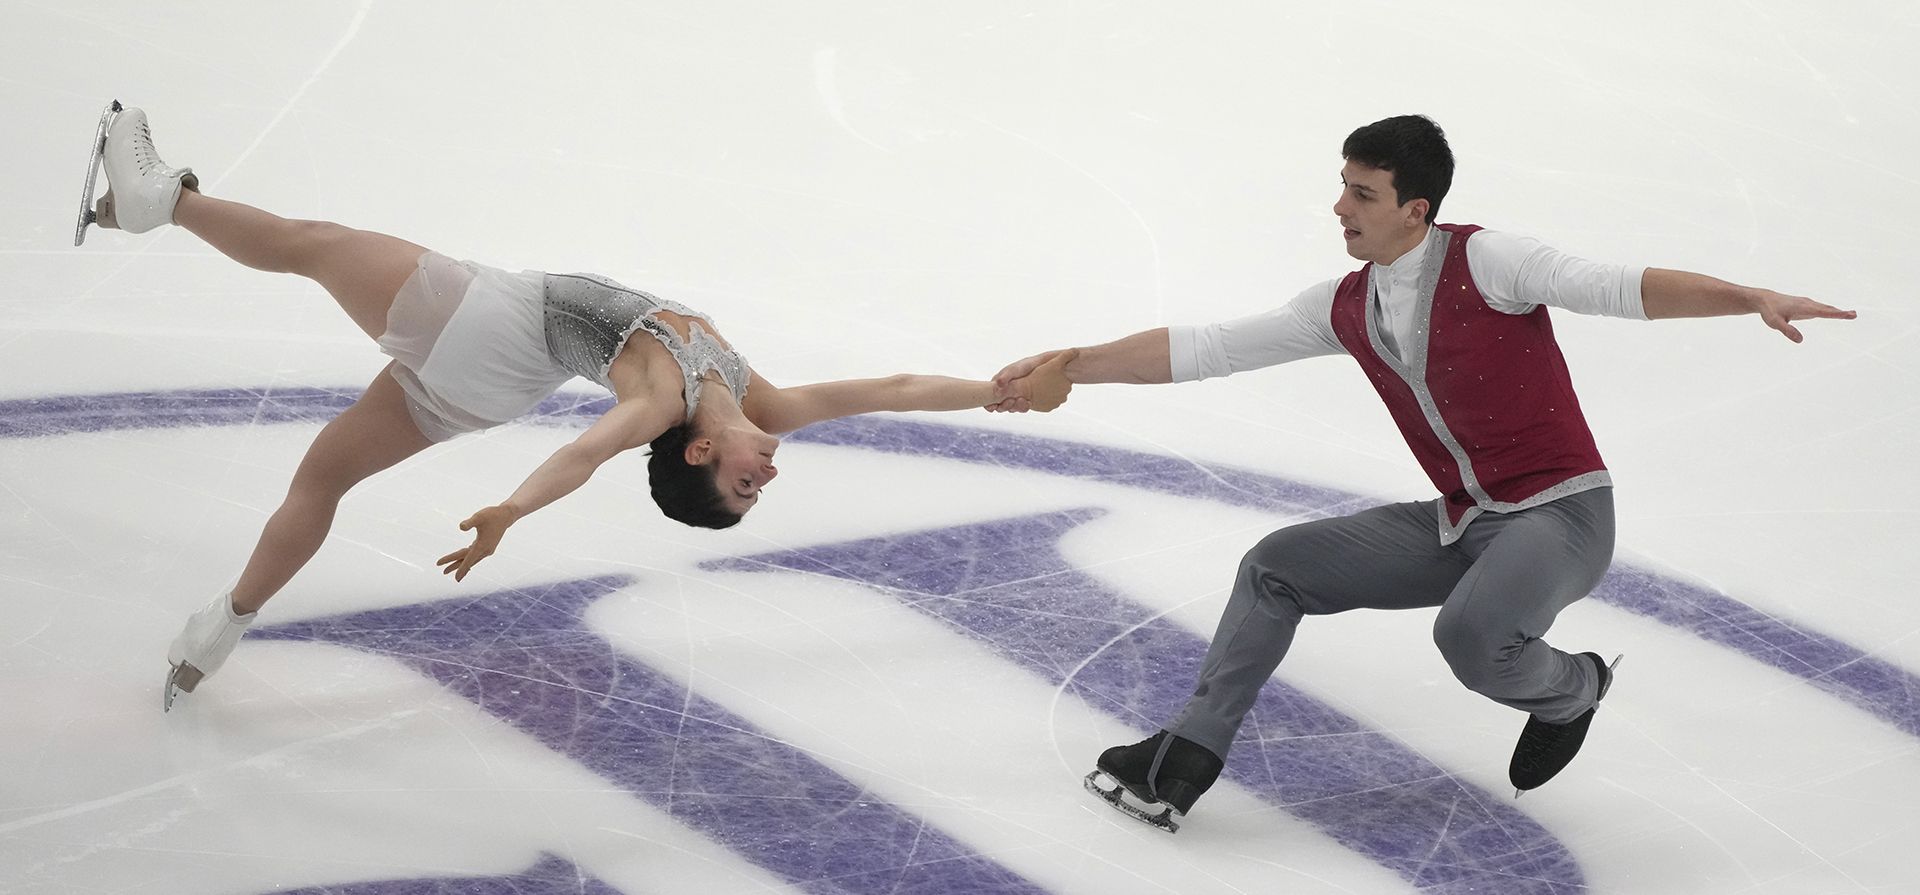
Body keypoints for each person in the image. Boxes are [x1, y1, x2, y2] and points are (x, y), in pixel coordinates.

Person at [987, 114, 1855, 827]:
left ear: (1417, 208)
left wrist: (1748, 296)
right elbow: (1208, 348)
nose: (1340, 206)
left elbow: (1618, 286)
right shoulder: (1347, 304)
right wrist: (1070, 361)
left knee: (1471, 637)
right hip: (1464, 520)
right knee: (1276, 564)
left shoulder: (1489, 263)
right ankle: (1186, 756)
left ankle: (1574, 687)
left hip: (1563, 516)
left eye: (1361, 193)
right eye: (1343, 186)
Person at [73, 104, 1074, 710]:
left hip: (488, 321)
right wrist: (990, 390)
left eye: (739, 489)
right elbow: (889, 392)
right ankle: (217, 629)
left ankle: (162, 197)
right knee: (323, 478)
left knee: (307, 242)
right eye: (755, 492)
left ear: (695, 455)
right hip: (486, 389)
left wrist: (512, 511)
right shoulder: (757, 394)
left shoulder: (664, 397)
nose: (762, 478)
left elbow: (589, 452)